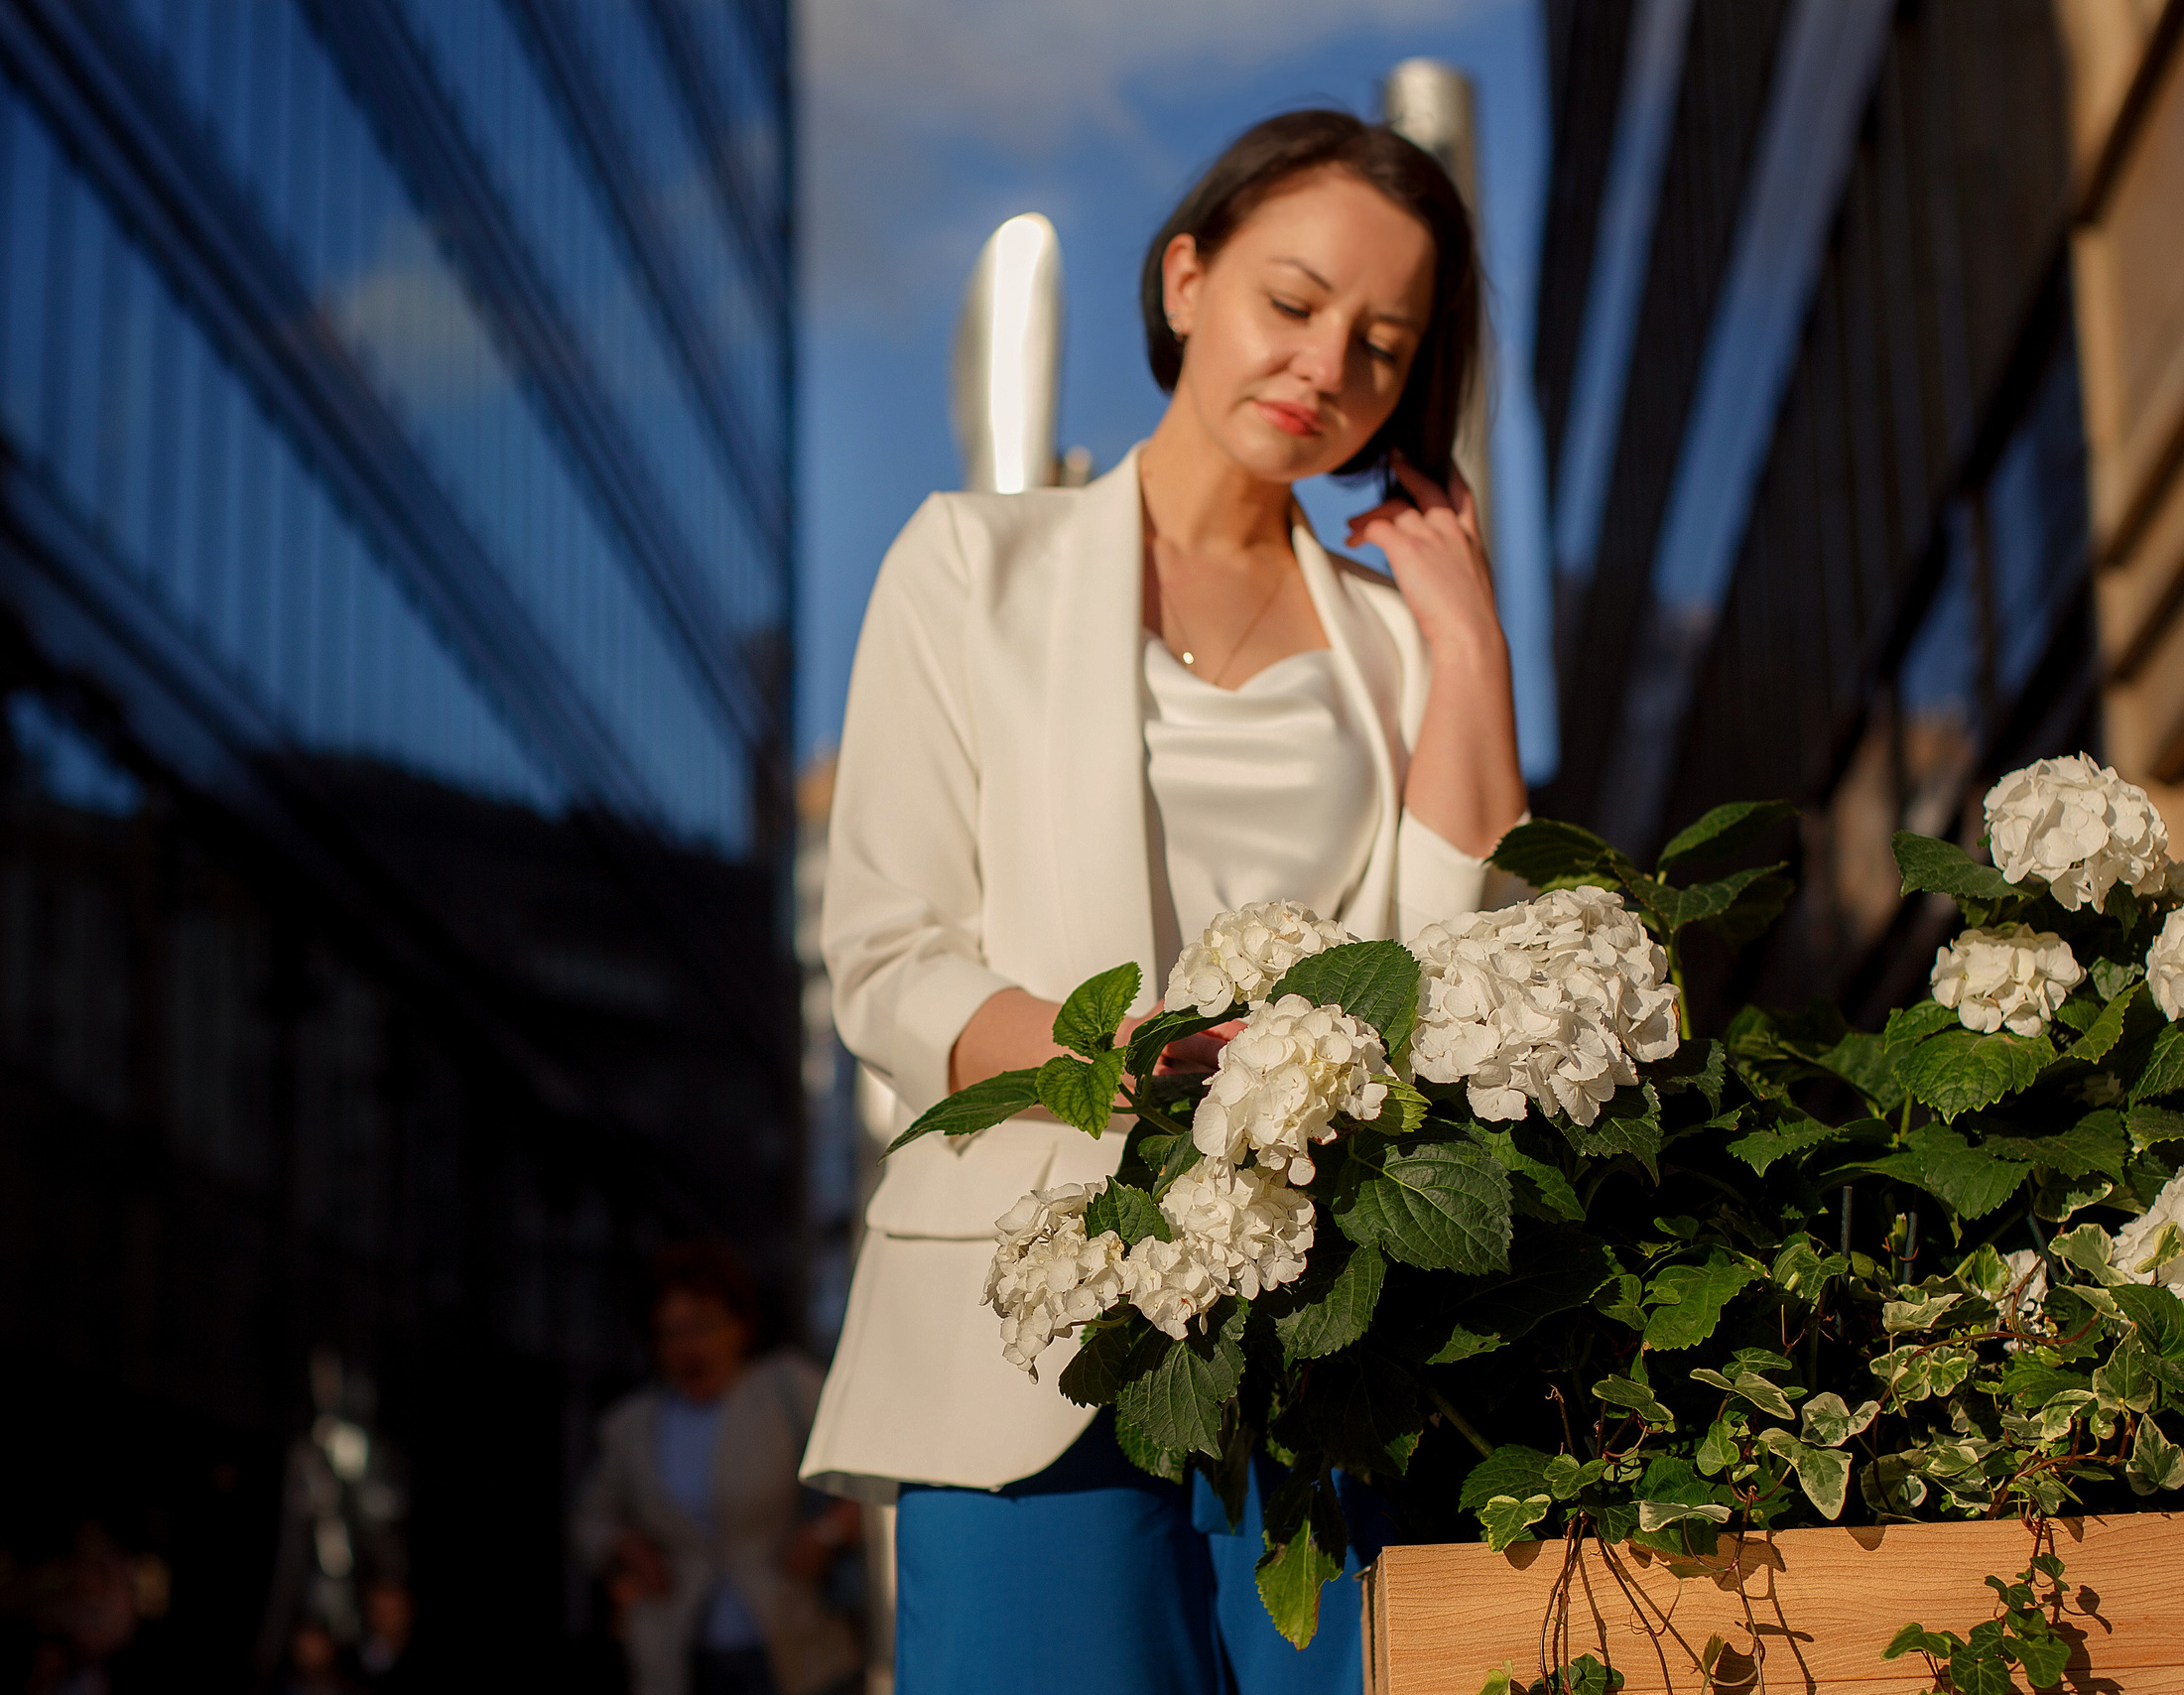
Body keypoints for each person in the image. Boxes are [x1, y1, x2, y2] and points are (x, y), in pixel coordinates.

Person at [799, 109, 1527, 1691]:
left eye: (1384, 346)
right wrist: (1093, 1063)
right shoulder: (964, 568)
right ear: (1185, 277)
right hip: (1033, 1321)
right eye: (1293, 300)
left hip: (1328, 1323)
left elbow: (1459, 961)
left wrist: (1469, 639)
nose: (1327, 363)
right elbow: (886, 948)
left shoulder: (1398, 645)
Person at [576, 1243, 862, 1695]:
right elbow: (592, 1517)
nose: (689, 1347)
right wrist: (627, 1550)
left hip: (791, 1636)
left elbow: (862, 1471)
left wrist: (826, 1533)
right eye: (670, 1333)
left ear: (740, 1327)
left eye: (702, 1327)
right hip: (678, 1647)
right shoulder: (633, 1425)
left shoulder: (786, 1390)